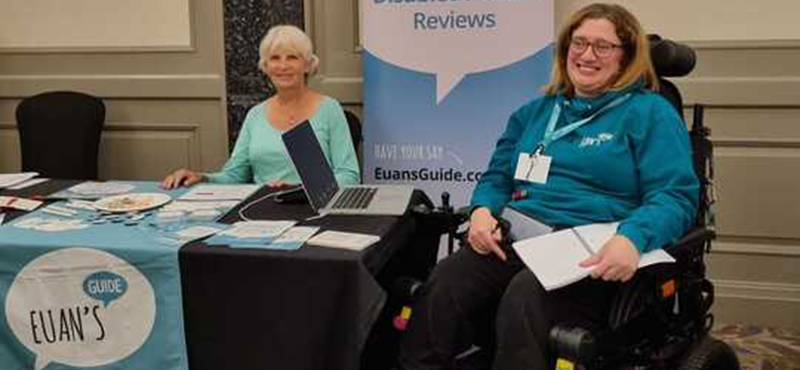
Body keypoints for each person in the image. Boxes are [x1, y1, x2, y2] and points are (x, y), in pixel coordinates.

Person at [396, 3, 699, 370]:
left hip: (594, 253)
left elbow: (675, 196)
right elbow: (497, 178)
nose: (587, 55)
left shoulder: (650, 113)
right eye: (579, 43)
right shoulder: (534, 113)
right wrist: (481, 212)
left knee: (525, 297)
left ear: (627, 57)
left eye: (602, 46)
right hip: (523, 240)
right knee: (446, 282)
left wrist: (632, 238)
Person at [162, 25, 360, 189]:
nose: (283, 66)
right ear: (265, 66)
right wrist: (202, 178)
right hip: (261, 212)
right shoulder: (255, 115)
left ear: (307, 64)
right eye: (275, 58)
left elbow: (348, 175)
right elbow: (234, 175)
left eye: (292, 57)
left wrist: (300, 191)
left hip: (314, 209)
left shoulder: (329, 110)